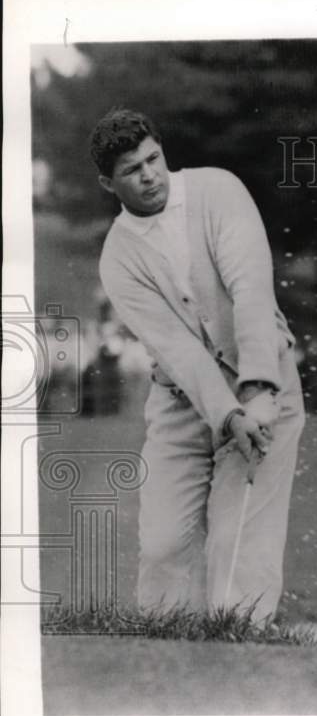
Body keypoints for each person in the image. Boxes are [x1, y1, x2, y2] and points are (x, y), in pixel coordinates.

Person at [93, 108, 305, 622]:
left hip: (265, 383)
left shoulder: (219, 191)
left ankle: (238, 649)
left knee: (237, 544)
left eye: (153, 159)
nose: (148, 175)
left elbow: (250, 287)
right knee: (163, 543)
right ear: (108, 183)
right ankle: (162, 656)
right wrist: (227, 416)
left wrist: (257, 389)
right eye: (131, 170)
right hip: (180, 399)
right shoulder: (117, 259)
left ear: (163, 152)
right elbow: (178, 350)